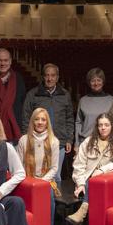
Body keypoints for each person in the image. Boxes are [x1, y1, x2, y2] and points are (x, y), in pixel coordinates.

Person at [21, 63, 74, 191]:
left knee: (55, 176)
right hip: (36, 141)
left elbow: (69, 118)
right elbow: (26, 118)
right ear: (42, 77)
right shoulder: (33, 94)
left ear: (57, 77)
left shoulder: (65, 95)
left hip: (59, 142)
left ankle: (55, 207)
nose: (50, 79)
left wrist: (69, 139)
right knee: (34, 174)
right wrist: (26, 137)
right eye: (47, 75)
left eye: (53, 75)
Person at [67, 113, 113, 225]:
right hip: (86, 181)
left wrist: (103, 170)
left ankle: (82, 211)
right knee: (91, 182)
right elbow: (78, 166)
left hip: (106, 183)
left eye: (106, 125)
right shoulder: (87, 142)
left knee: (94, 181)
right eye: (100, 125)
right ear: (97, 127)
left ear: (112, 126)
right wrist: (80, 184)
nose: (103, 128)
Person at [17, 108, 60, 225]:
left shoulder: (54, 141)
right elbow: (18, 165)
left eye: (43, 119)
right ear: (32, 121)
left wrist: (40, 183)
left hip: (45, 181)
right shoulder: (24, 140)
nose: (40, 122)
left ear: (47, 122)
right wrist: (29, 182)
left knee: (50, 198)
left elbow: (54, 168)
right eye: (37, 119)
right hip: (26, 180)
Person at [74, 67, 113, 150]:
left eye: (99, 80)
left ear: (103, 82)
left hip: (105, 144)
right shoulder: (83, 100)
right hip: (85, 143)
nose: (96, 83)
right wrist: (77, 144)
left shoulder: (111, 100)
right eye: (93, 80)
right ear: (89, 83)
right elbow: (78, 123)